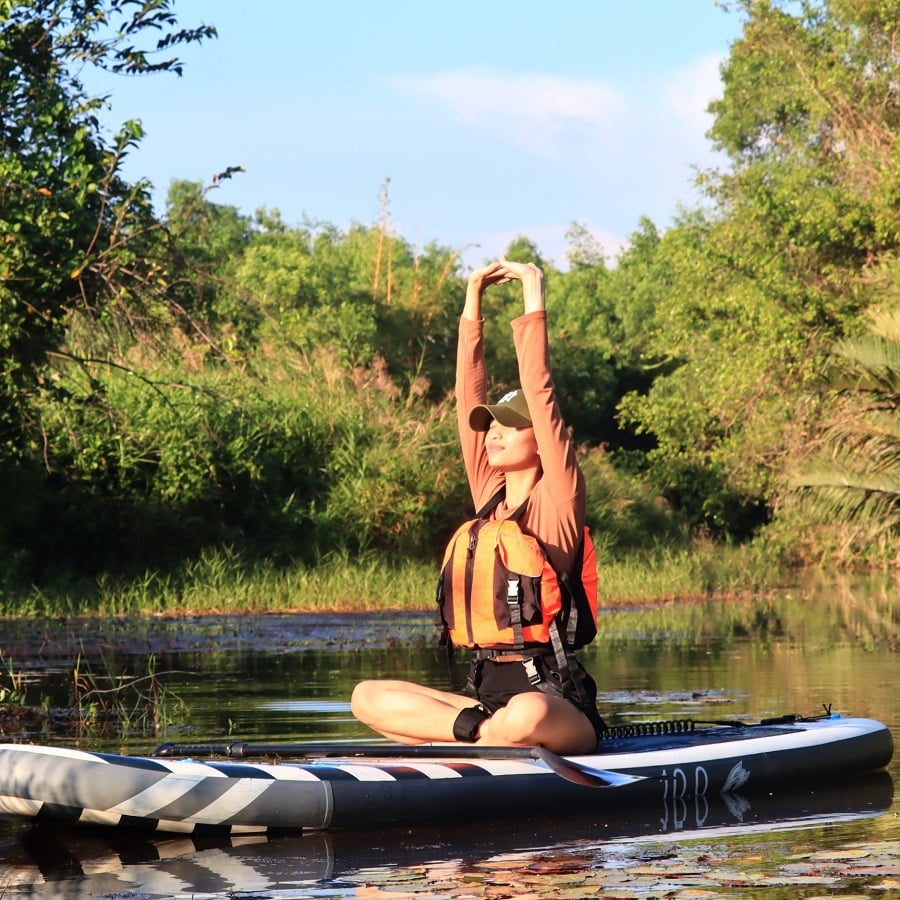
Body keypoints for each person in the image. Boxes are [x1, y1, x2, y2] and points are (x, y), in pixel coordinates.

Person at [350, 256, 604, 754]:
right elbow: (469, 397)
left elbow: (541, 390)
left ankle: (462, 740)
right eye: (493, 428)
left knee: (525, 714)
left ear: (542, 441)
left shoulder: (558, 503)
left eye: (511, 428)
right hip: (484, 706)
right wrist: (472, 303)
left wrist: (533, 294)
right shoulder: (489, 495)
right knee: (366, 697)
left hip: (553, 706)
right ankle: (478, 739)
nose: (494, 436)